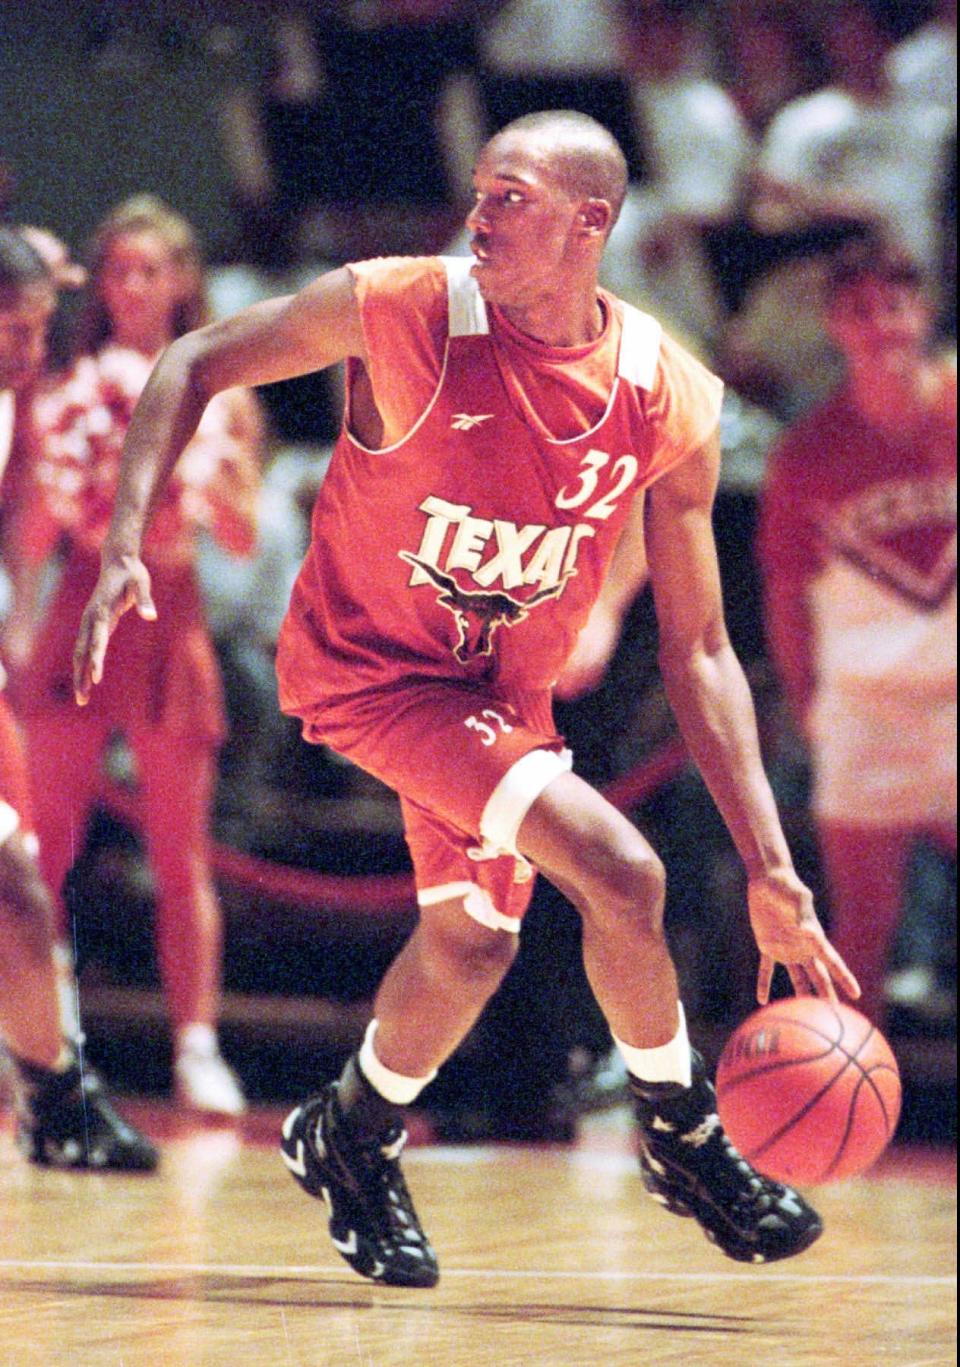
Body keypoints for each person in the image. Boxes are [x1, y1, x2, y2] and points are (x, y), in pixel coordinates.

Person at [74, 111, 858, 1286]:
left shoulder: (663, 390)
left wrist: (770, 863)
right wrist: (125, 537)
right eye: (482, 190)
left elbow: (701, 651)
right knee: (624, 871)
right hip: (371, 670)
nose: (481, 214)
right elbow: (197, 361)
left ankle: (346, 1131)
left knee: (473, 943)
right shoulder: (407, 308)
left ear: (591, 223)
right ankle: (685, 1133)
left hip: (499, 695)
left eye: (515, 197)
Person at [11, 196, 264, 1117]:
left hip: (169, 613)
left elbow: (240, 539)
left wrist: (214, 481)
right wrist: (21, 618)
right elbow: (36, 524)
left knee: (179, 850)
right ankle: (43, 1039)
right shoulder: (66, 385)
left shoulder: (224, 388)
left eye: (149, 269)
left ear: (183, 280)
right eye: (116, 270)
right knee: (46, 847)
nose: (130, 287)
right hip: (84, 603)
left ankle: (195, 1044)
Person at [758, 236, 956, 1030]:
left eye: (895, 305)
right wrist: (810, 704)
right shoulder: (806, 453)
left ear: (926, 312)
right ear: (836, 326)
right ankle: (848, 1118)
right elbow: (785, 590)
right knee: (860, 933)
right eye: (860, 310)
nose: (882, 326)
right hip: (867, 708)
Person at [0, 226, 157, 1170]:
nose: (29, 346)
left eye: (40, 324)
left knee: (19, 895)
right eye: (12, 326)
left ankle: (56, 1095)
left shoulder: (21, 400)